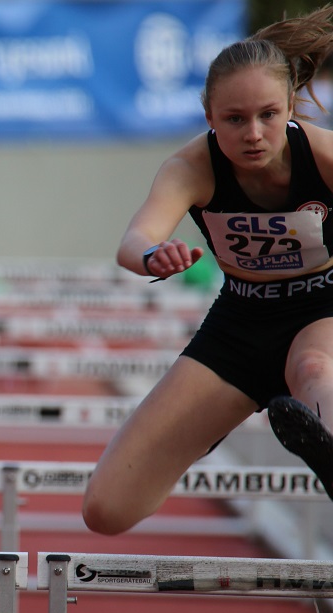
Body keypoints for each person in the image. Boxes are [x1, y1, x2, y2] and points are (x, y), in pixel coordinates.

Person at [82, 6, 333, 534]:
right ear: (208, 117)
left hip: (323, 312)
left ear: (290, 106)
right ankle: (211, 423)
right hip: (239, 327)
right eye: (234, 120)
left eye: (268, 115)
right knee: (106, 510)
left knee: (313, 369)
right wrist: (154, 256)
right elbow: (135, 239)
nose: (254, 135)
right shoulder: (190, 168)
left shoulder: (326, 156)